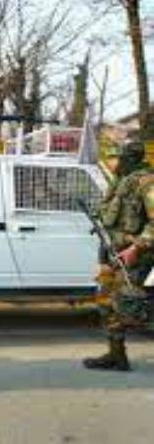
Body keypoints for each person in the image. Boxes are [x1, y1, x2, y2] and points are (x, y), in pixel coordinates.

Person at [83, 140, 154, 371]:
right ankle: (117, 354)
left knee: (131, 306)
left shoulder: (146, 182)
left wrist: (136, 248)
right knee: (106, 303)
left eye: (118, 158)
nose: (114, 163)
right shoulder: (121, 181)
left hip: (134, 255)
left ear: (129, 159)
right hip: (112, 252)